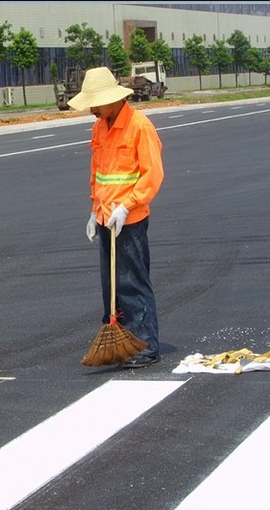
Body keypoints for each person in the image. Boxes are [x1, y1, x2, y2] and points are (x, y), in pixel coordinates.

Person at [68, 67, 164, 369]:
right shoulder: (100, 128)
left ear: (112, 99)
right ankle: (123, 342)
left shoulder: (139, 126)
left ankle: (146, 345)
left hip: (130, 219)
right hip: (105, 217)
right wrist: (94, 209)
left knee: (132, 284)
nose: (92, 110)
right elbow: (99, 174)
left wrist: (127, 205)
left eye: (95, 104)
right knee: (110, 288)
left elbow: (152, 174)